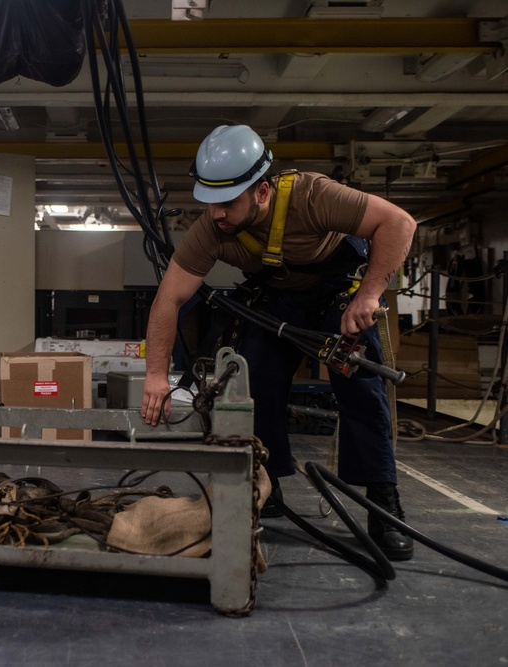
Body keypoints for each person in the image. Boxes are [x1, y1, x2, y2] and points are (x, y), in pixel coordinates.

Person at [140, 124, 417, 561]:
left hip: (335, 294)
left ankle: (383, 504)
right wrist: (155, 375)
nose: (216, 215)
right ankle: (267, 486)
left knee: (360, 382)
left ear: (263, 191)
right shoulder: (211, 228)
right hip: (278, 300)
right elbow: (168, 299)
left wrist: (368, 294)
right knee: (254, 377)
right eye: (209, 203)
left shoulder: (312, 196)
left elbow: (399, 223)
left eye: (228, 203)